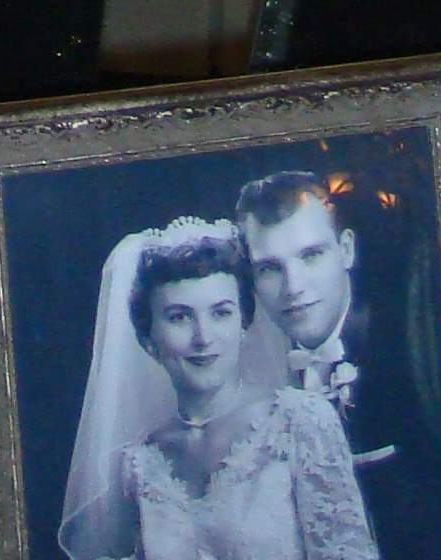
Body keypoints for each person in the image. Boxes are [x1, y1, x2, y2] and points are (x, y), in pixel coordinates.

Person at [58, 220, 377, 560]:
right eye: (180, 317)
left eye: (221, 313)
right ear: (149, 340)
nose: (203, 337)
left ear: (243, 326)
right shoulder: (139, 464)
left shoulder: (300, 422)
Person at [233, 167, 441, 558]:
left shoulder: (412, 353)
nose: (293, 287)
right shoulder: (250, 377)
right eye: (270, 268)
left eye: (311, 255)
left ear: (346, 250)